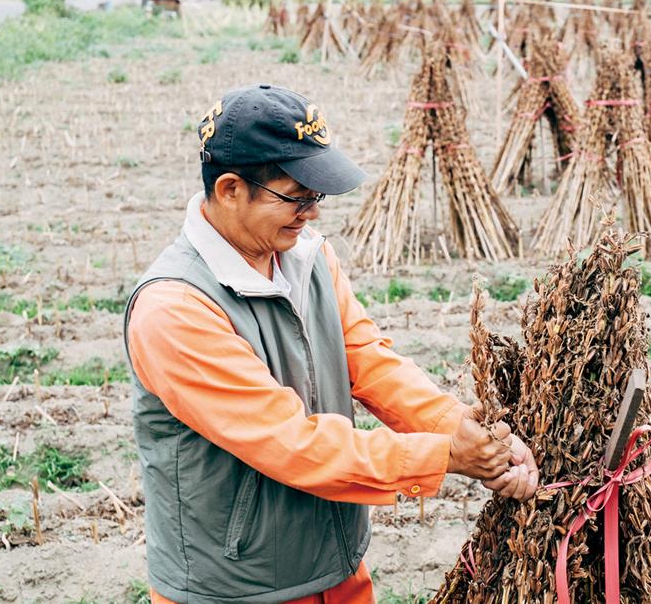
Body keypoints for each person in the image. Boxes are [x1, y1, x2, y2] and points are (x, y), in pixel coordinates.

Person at [124, 84, 539, 604]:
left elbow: (370, 362)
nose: (312, 213)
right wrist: (445, 456)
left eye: (316, 196)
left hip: (334, 563)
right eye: (296, 196)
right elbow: (289, 443)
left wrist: (463, 429)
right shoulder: (175, 309)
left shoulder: (307, 257)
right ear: (230, 189)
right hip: (237, 588)